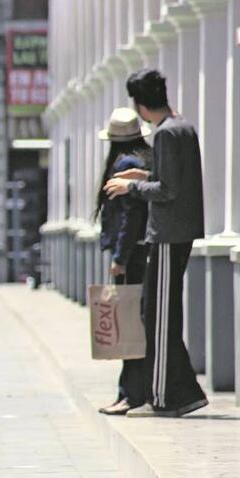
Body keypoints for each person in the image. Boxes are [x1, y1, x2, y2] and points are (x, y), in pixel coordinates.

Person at [105, 68, 208, 418]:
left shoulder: (165, 134)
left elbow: (168, 190)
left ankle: (167, 394)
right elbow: (172, 179)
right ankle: (182, 391)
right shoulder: (183, 128)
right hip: (180, 233)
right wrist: (143, 176)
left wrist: (129, 187)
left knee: (158, 318)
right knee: (159, 313)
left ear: (140, 104)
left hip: (166, 235)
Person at [95, 108, 152, 416]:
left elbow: (131, 217)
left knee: (128, 326)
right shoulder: (142, 160)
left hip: (132, 259)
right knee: (131, 325)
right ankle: (128, 392)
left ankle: (130, 394)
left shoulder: (127, 164)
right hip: (138, 255)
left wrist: (119, 257)